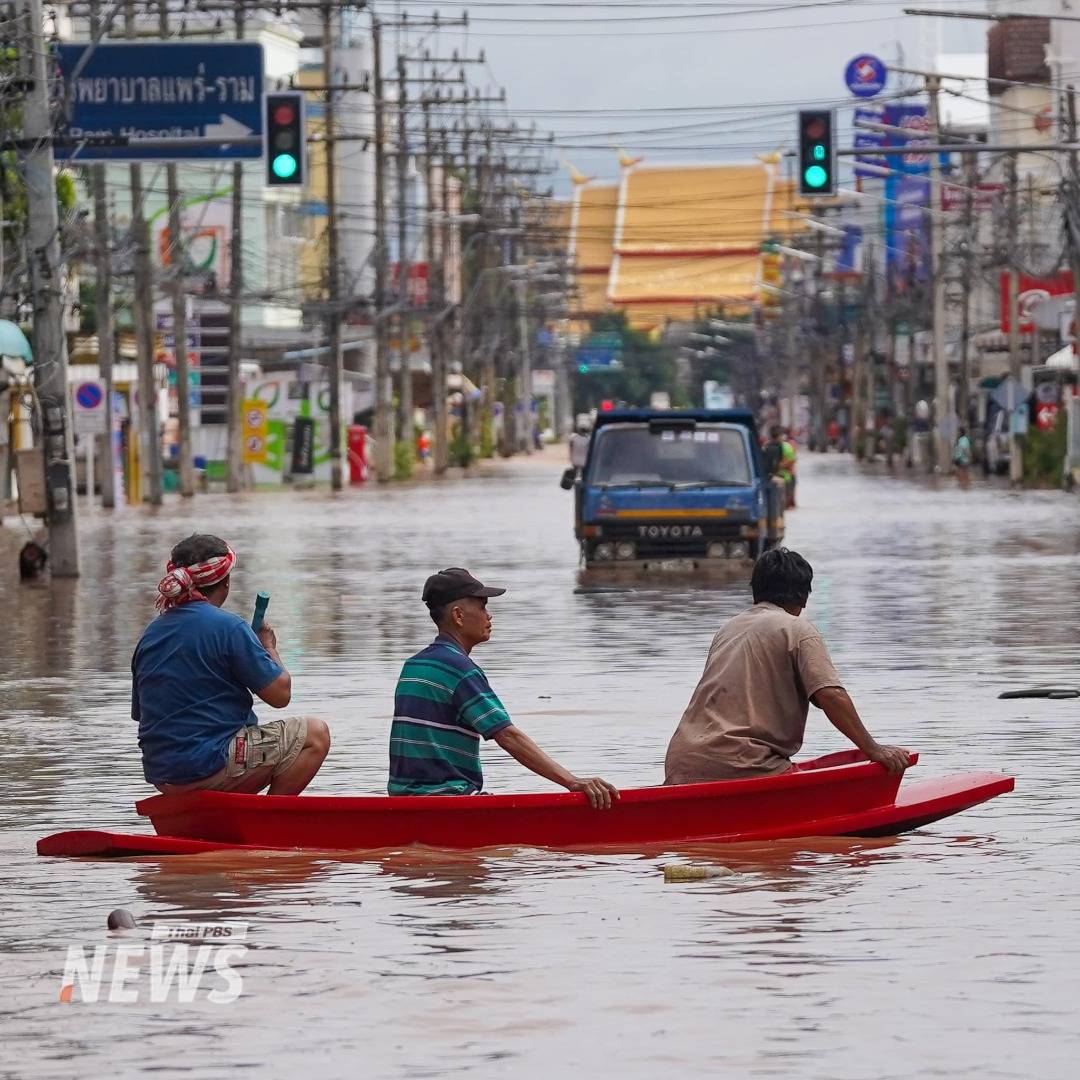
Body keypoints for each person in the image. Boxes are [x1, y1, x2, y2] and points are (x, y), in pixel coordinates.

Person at [664, 547, 909, 785]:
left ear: (756, 591)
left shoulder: (728, 629)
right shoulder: (798, 629)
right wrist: (873, 749)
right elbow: (830, 695)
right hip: (742, 764)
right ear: (802, 599)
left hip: (682, 761)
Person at [389, 567, 619, 808]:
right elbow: (508, 736)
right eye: (482, 607)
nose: (489, 616)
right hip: (449, 801)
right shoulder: (459, 669)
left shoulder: (413, 665)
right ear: (458, 616)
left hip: (403, 802)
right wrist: (572, 782)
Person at [133, 534, 331, 795]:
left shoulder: (150, 634)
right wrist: (268, 647)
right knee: (316, 735)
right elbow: (280, 695)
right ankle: (267, 824)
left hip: (163, 775)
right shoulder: (229, 627)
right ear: (225, 583)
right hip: (210, 766)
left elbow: (142, 714)